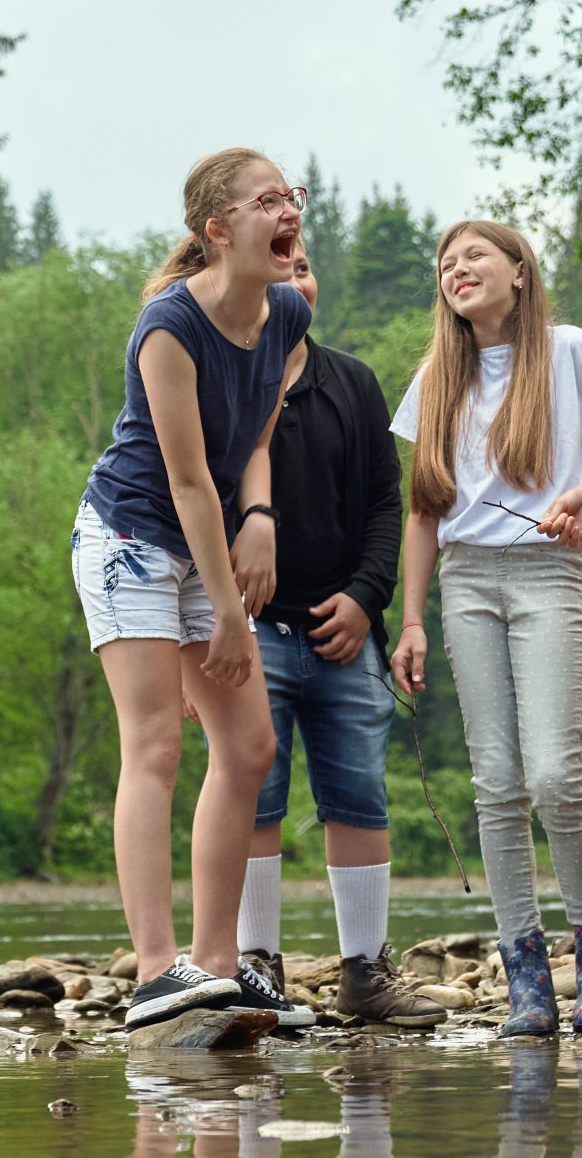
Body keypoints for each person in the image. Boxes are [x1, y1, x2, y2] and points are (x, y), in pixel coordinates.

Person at [388, 220, 582, 1038]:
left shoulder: (572, 350)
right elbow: (422, 509)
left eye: (474, 255)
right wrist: (410, 618)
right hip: (465, 580)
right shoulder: (436, 376)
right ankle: (526, 982)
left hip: (550, 572)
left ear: (519, 271)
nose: (457, 269)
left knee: (554, 773)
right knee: (496, 785)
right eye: (446, 263)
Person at [71, 149, 309, 1030]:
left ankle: (217, 963)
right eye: (267, 201)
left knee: (248, 748)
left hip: (208, 533)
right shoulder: (167, 327)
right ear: (216, 231)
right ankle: (153, 971)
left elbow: (253, 434)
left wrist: (264, 517)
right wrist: (234, 620)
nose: (288, 212)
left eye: (293, 197)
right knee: (157, 744)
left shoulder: (287, 311)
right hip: (131, 536)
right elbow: (183, 482)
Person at [234, 242, 446, 1029]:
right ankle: (256, 963)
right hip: (250, 630)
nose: (297, 278)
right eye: (282, 264)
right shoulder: (219, 381)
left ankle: (365, 973)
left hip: (344, 633)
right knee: (253, 792)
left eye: (305, 267)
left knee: (358, 794)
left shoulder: (351, 382)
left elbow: (387, 510)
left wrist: (364, 599)